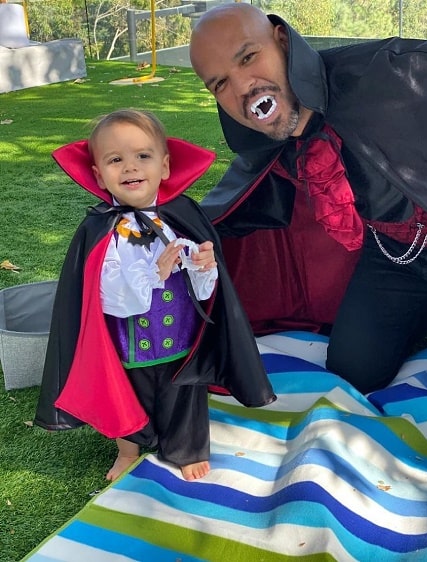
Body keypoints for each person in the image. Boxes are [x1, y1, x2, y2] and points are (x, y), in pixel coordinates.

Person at [189, 3, 427, 394]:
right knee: (355, 368)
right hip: (396, 257)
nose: (243, 86)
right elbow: (230, 208)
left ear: (282, 41)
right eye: (220, 84)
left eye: (248, 57)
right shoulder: (269, 145)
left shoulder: (399, 74)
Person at [34, 109, 276, 481]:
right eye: (116, 160)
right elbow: (105, 293)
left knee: (184, 394)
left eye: (142, 156)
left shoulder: (182, 216)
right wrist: (152, 273)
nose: (130, 167)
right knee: (127, 395)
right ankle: (129, 450)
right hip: (128, 344)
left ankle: (187, 449)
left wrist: (204, 266)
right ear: (99, 174)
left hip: (181, 339)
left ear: (164, 166)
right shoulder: (101, 230)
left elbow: (208, 293)